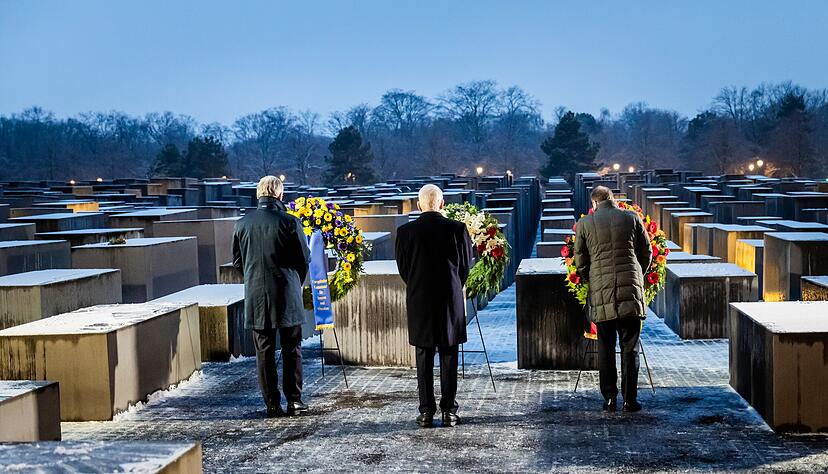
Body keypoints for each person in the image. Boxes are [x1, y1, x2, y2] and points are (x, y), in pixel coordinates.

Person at [395, 184, 474, 428]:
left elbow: (404, 269)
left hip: (420, 299)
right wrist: (451, 286)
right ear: (441, 204)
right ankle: (449, 411)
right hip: (449, 300)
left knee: (424, 356)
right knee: (449, 355)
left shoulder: (406, 232)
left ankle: (426, 412)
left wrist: (418, 285)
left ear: (419, 205)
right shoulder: (457, 229)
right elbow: (464, 268)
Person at [233, 175, 311, 418]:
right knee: (292, 349)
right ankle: (294, 401)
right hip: (286, 292)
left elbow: (238, 262)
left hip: (256, 294)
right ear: (279, 195)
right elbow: (303, 258)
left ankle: (272, 404)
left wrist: (254, 277)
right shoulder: (289, 222)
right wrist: (294, 281)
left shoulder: (242, 224)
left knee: (264, 351)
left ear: (258, 194)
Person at [574, 185, 651, 413]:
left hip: (601, 291)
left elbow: (580, 260)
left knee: (606, 347)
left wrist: (593, 278)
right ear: (613, 200)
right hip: (630, 291)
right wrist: (637, 274)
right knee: (630, 347)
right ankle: (630, 400)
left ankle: (609, 398)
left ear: (594, 203)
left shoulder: (586, 223)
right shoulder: (632, 217)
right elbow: (645, 252)